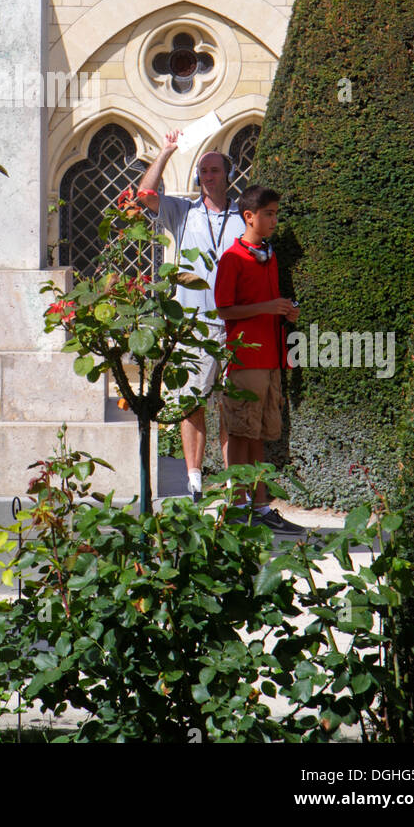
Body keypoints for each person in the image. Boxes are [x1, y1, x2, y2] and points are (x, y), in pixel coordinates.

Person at [136, 135, 244, 501]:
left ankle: (233, 481)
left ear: (228, 175)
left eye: (214, 170)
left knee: (233, 406)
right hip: (193, 326)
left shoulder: (243, 217)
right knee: (191, 403)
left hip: (235, 326)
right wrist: (165, 153)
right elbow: (143, 195)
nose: (208, 177)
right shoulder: (184, 212)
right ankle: (194, 478)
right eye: (203, 171)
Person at [213, 185, 305, 535]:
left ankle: (261, 506)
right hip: (245, 358)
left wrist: (286, 312)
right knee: (240, 432)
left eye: (275, 214)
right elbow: (224, 309)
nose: (274, 220)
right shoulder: (232, 258)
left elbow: (266, 304)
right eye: (268, 214)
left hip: (270, 358)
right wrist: (268, 307)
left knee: (260, 435)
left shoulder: (269, 253)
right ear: (248, 216)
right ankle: (237, 507)